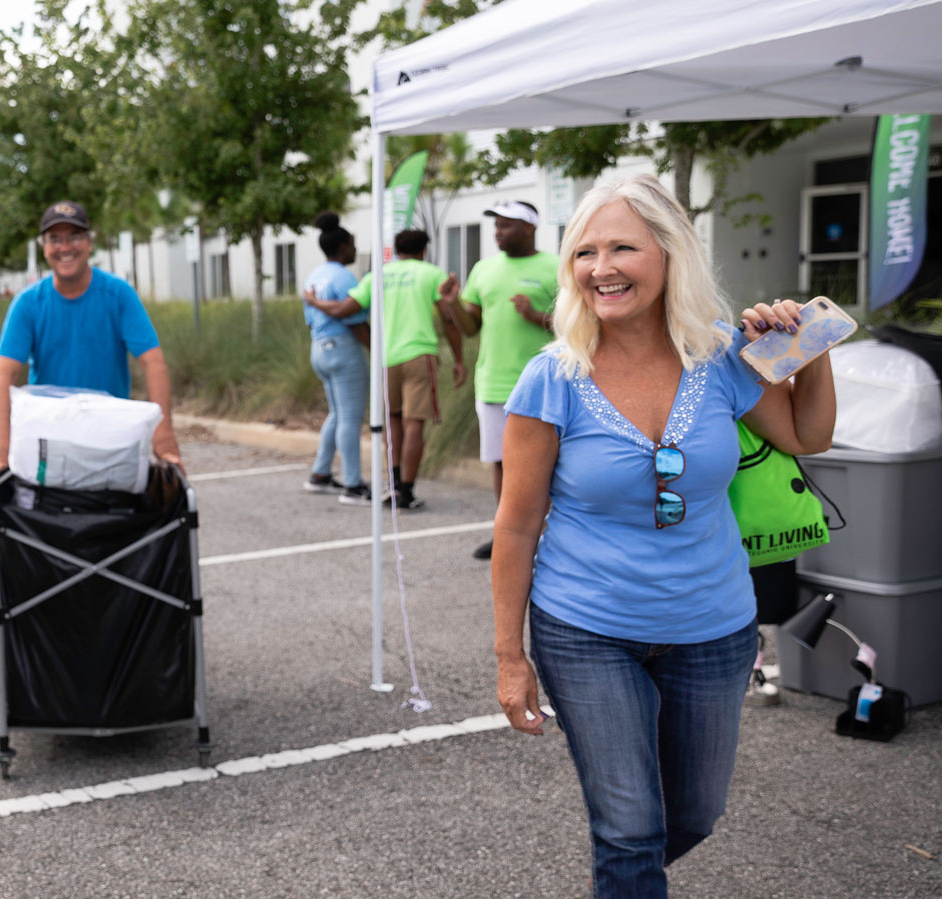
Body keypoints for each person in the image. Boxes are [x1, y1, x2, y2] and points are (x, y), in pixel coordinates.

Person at [491, 173, 834, 898]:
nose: (601, 268)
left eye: (622, 247)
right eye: (585, 252)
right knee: (629, 828)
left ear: (669, 252)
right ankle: (628, 869)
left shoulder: (720, 358)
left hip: (714, 629)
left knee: (694, 814)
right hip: (587, 627)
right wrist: (508, 656)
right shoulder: (552, 376)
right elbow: (517, 526)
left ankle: (628, 873)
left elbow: (809, 432)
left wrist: (809, 347)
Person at [0, 201, 180, 479]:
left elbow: (153, 363)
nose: (65, 247)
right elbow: (3, 375)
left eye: (75, 237)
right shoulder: (28, 303)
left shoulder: (118, 294)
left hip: (111, 439)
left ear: (89, 243)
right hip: (50, 440)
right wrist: (1, 450)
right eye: (55, 239)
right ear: (44, 247)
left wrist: (163, 437)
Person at [306, 229, 465, 509]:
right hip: (419, 355)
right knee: (414, 423)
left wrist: (315, 301)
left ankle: (392, 486)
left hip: (386, 358)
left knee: (392, 422)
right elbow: (450, 319)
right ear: (423, 250)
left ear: (398, 249)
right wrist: (459, 359)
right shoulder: (431, 274)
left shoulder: (377, 276)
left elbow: (345, 309)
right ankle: (407, 491)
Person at [440, 201, 558, 558]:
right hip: (492, 382)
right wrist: (452, 305)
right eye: (496, 226)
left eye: (506, 226)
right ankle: (508, 532)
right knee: (501, 462)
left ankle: (548, 540)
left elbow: (576, 324)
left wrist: (535, 315)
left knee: (549, 464)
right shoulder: (484, 269)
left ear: (529, 228)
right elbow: (471, 326)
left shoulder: (555, 268)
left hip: (544, 385)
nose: (497, 233)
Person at [299, 211, 372, 505]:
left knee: (337, 413)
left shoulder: (313, 276)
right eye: (353, 244)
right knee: (350, 419)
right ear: (342, 247)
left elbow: (308, 320)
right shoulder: (344, 277)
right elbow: (354, 321)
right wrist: (376, 352)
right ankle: (353, 484)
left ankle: (320, 473)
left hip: (318, 347)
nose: (355, 249)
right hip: (343, 349)